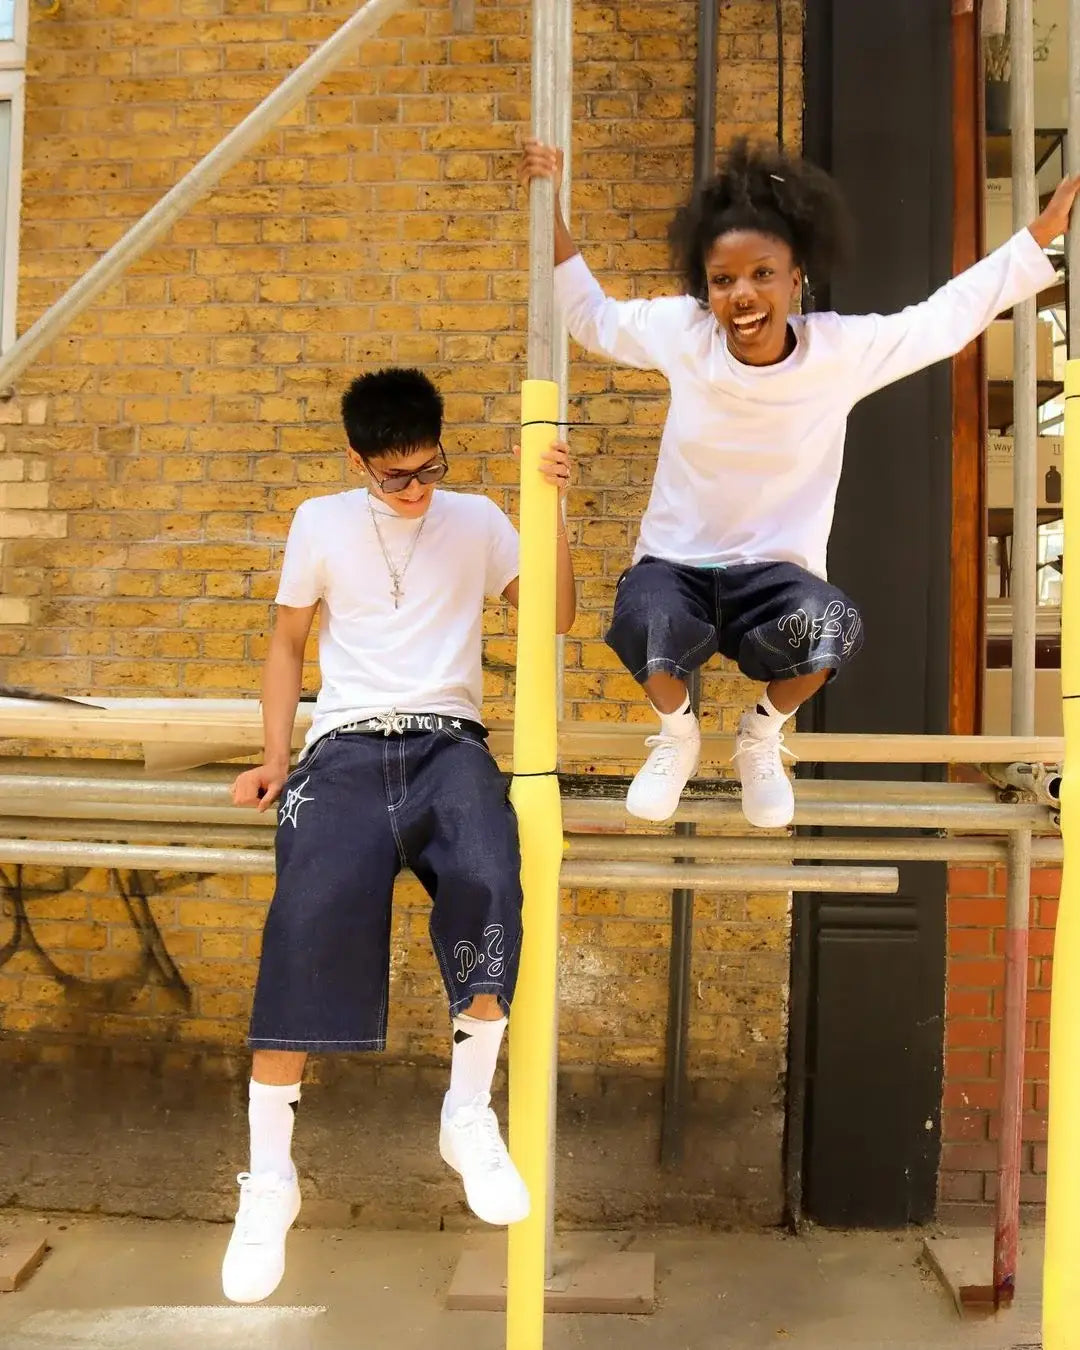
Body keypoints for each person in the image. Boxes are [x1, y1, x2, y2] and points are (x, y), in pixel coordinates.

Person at [520, 137, 1080, 828]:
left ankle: (759, 738)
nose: (742, 295)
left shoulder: (834, 353)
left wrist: (1037, 241)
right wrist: (547, 200)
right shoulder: (682, 333)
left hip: (775, 577)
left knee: (832, 626)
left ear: (795, 279)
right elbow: (591, 318)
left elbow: (942, 322)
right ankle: (678, 737)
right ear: (705, 288)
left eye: (762, 274)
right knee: (643, 618)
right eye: (722, 281)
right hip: (677, 565)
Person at [221, 367, 576, 1304]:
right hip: (341, 748)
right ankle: (270, 1182)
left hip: (448, 743)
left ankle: (467, 1113)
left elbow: (557, 619)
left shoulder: (484, 520)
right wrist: (272, 753)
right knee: (304, 915)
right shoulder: (319, 522)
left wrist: (553, 517)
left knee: (490, 874)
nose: (415, 489)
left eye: (428, 468)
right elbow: (287, 642)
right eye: (395, 476)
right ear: (357, 463)